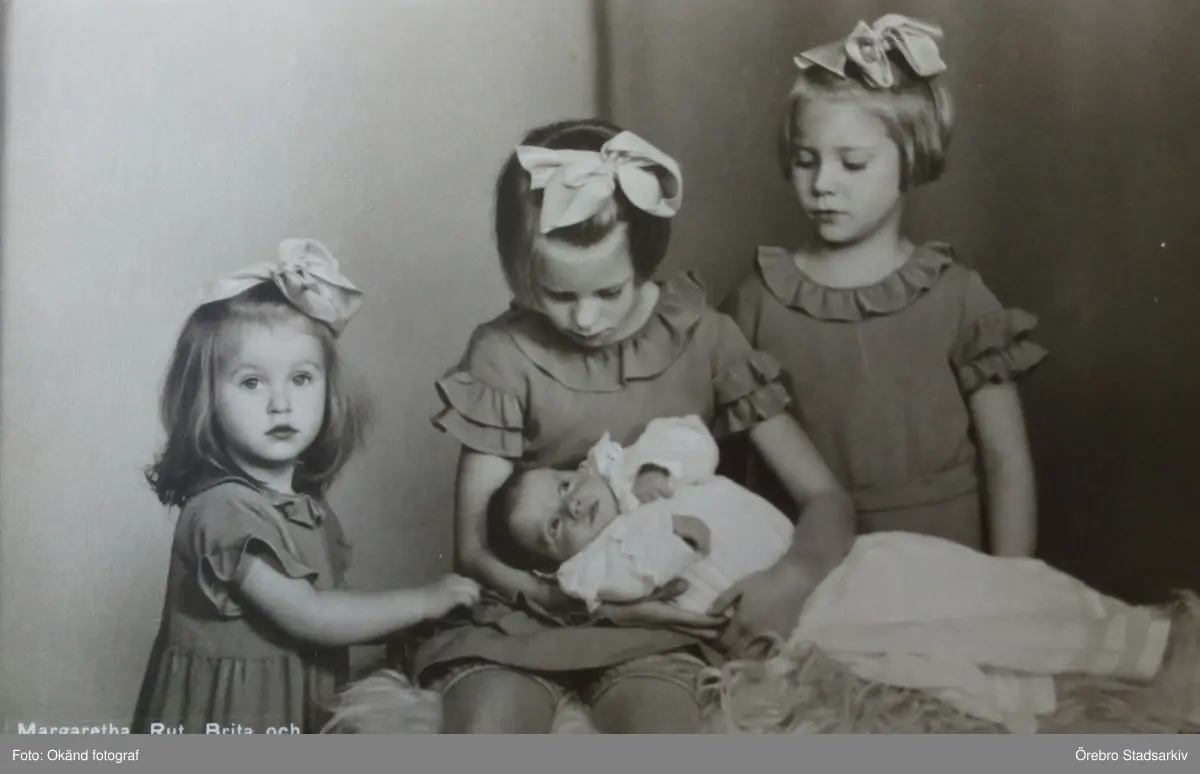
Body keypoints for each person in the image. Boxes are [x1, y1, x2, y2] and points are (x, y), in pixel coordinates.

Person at [411, 119, 856, 733]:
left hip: (661, 627)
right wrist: (584, 602)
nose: (585, 319)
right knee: (488, 727)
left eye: (608, 291)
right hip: (528, 612)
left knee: (660, 726)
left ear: (646, 259)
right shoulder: (503, 354)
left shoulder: (704, 337)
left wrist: (791, 577)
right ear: (521, 271)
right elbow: (472, 551)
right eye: (557, 294)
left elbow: (826, 496)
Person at [721, 15, 1047, 556]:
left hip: (941, 559)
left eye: (852, 163)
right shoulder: (756, 300)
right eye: (805, 161)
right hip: (807, 561)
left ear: (911, 160)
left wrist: (1010, 581)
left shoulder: (958, 297)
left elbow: (1006, 460)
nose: (822, 184)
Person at [131, 239, 481, 734]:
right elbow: (312, 616)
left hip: (289, 705)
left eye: (301, 378)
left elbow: (337, 611)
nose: (281, 403)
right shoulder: (223, 510)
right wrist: (424, 602)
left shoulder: (302, 507)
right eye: (252, 382)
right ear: (205, 400)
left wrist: (414, 625)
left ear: (329, 388)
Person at [495, 415, 795, 617]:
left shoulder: (624, 466)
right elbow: (630, 580)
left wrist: (656, 467)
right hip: (740, 601)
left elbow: (693, 437)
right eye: (554, 525)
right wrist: (667, 531)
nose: (572, 505)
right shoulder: (589, 568)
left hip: (781, 543)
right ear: (552, 565)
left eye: (564, 486)